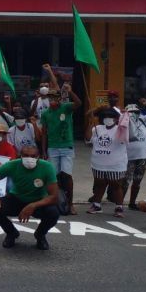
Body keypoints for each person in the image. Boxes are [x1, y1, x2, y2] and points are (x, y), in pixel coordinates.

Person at [0, 145, 60, 250]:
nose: (29, 158)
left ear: (38, 157)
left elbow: (54, 197)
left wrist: (33, 205)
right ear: (20, 156)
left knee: (53, 213)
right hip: (16, 198)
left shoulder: (47, 167)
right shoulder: (12, 165)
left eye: (33, 156)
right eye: (26, 155)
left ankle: (40, 235)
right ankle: (11, 233)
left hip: (38, 200)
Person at [41, 85, 82, 215]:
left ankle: (70, 203)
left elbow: (78, 103)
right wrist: (43, 150)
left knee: (67, 175)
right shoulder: (45, 113)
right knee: (55, 176)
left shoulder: (66, 107)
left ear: (59, 99)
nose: (52, 100)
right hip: (52, 147)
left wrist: (70, 91)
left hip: (66, 146)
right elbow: (44, 133)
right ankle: (57, 201)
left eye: (54, 98)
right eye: (50, 98)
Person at [86, 107, 129, 217]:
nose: (107, 119)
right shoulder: (97, 128)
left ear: (116, 119)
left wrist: (124, 116)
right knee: (99, 184)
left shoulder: (121, 129)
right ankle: (96, 205)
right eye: (105, 117)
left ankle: (119, 207)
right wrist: (91, 123)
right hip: (98, 163)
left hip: (115, 164)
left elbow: (128, 134)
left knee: (116, 185)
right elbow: (88, 139)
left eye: (110, 117)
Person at [123, 104, 146, 210]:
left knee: (137, 181)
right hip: (129, 157)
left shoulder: (143, 120)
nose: (134, 114)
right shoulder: (123, 121)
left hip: (143, 157)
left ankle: (132, 203)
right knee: (125, 181)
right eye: (131, 112)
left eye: (136, 112)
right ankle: (119, 203)